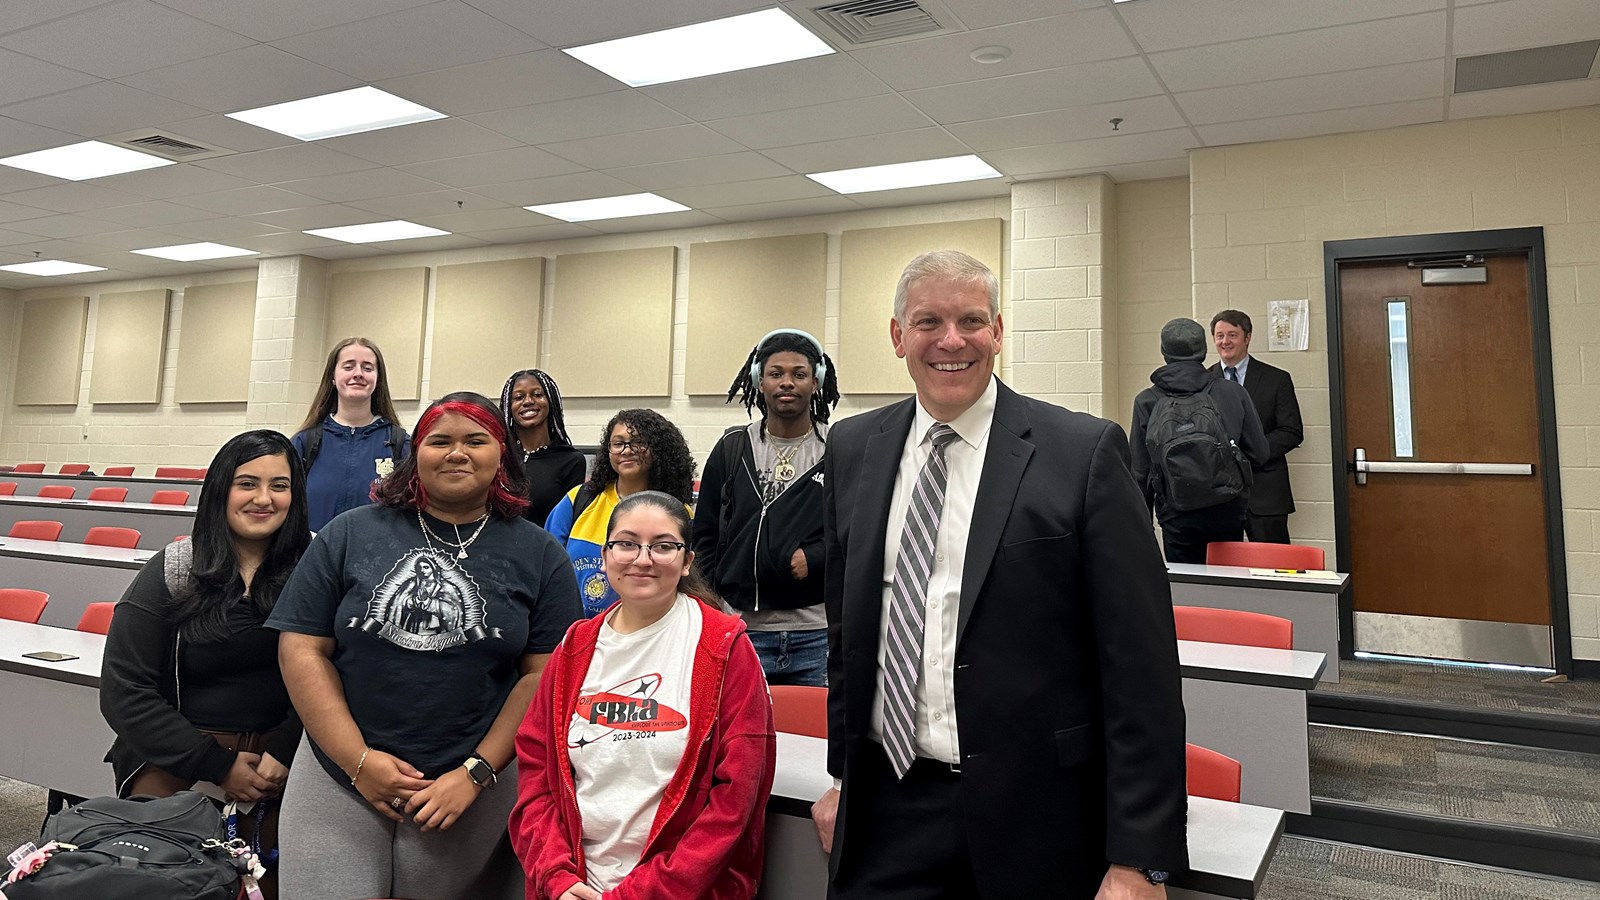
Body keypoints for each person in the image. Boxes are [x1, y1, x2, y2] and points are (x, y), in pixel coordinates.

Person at [814, 250, 1188, 899]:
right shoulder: (853, 448)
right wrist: (843, 774)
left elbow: (1142, 670)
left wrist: (1139, 857)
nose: (951, 340)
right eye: (929, 321)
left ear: (998, 331)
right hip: (885, 812)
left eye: (971, 320)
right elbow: (849, 637)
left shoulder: (1082, 452)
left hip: (1036, 817)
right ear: (899, 335)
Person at [269, 391, 583, 900]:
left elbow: (543, 674)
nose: (457, 453)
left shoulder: (541, 552)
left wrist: (476, 772)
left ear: (501, 453)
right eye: (440, 441)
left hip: (472, 779)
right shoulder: (348, 533)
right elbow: (301, 649)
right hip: (339, 770)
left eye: (475, 440)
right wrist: (358, 762)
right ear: (415, 456)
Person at [510, 491, 776, 900]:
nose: (642, 558)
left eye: (664, 546)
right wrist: (556, 877)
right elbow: (536, 775)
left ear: (687, 561)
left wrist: (641, 894)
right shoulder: (575, 646)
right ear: (604, 555)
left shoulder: (723, 647)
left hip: (677, 890)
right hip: (574, 887)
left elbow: (736, 801)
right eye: (627, 543)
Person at [100, 430, 312, 900]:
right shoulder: (177, 567)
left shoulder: (315, 566)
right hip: (182, 752)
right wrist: (217, 765)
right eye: (247, 483)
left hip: (289, 755)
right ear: (221, 490)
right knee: (161, 878)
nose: (264, 498)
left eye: (280, 485)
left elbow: (341, 673)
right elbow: (124, 689)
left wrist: (285, 747)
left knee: (280, 881)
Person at [693, 329, 840, 686]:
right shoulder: (731, 447)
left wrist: (817, 557)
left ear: (816, 381)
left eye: (798, 374)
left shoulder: (838, 449)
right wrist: (714, 606)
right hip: (742, 632)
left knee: (812, 741)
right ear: (760, 381)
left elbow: (861, 531)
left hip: (815, 635)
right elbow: (705, 536)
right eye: (776, 373)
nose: (786, 382)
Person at [1132, 317, 1270, 564]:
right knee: (1227, 585)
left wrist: (1143, 524)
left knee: (1188, 591)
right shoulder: (1232, 392)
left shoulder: (1147, 400)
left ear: (1164, 353)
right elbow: (1260, 453)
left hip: (1176, 514)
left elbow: (1140, 472)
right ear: (1203, 351)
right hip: (1227, 508)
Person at [545, 408, 696, 619]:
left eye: (637, 442)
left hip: (645, 630)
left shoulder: (677, 512)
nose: (626, 450)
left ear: (659, 450)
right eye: (618, 443)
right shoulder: (579, 499)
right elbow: (546, 565)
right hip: (574, 628)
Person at [291, 337, 410, 532]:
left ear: (378, 379)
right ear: (332, 377)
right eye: (348, 367)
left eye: (367, 368)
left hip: (376, 556)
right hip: (313, 556)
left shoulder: (400, 444)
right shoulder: (304, 443)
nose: (358, 374)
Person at [1209, 310, 1304, 544]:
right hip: (1217, 494)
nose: (1225, 341)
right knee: (1222, 572)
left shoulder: (1277, 379)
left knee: (1274, 569)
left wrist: (1251, 452)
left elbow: (1291, 431)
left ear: (1247, 338)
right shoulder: (1204, 381)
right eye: (1219, 336)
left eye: (1232, 334)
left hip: (1266, 492)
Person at [500, 368, 588, 526]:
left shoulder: (571, 461)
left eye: (537, 395)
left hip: (543, 547)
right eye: (518, 397)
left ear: (551, 402)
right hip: (494, 546)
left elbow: (567, 523)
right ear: (509, 407)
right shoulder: (499, 454)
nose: (527, 402)